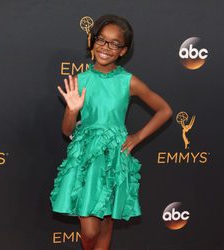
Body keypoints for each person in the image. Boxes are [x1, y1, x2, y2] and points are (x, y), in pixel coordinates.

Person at [50, 14, 173, 250]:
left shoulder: (128, 81)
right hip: (86, 158)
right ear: (93, 41)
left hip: (115, 158)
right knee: (89, 231)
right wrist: (72, 111)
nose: (106, 48)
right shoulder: (80, 80)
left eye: (114, 43)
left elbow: (164, 110)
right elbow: (67, 131)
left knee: (106, 224)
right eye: (102, 40)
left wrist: (137, 137)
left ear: (123, 51)